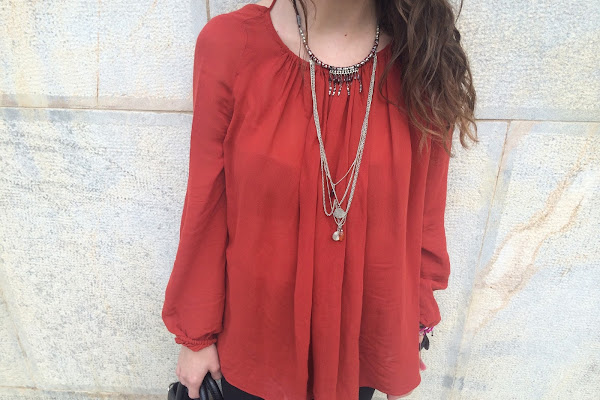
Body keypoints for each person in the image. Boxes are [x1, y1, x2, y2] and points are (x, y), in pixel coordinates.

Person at [161, 0, 477, 399]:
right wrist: (196, 335)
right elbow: (207, 204)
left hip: (359, 345)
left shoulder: (423, 57)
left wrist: (414, 320)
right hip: (255, 343)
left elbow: (424, 213)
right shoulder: (231, 46)